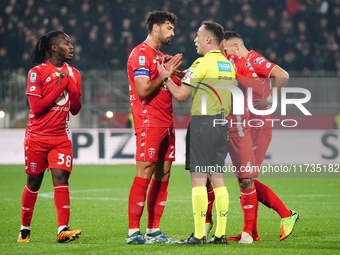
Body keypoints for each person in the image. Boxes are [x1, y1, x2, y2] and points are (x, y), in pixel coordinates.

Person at [157, 20, 235, 244]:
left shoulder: (201, 63)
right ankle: (220, 234)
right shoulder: (228, 65)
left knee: (198, 181)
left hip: (202, 125)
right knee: (218, 180)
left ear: (209, 39)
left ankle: (200, 234)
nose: (195, 40)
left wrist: (165, 77)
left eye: (198, 36)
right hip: (222, 125)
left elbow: (181, 95)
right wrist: (182, 75)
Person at [219, 31, 299, 242]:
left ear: (235, 46)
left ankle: (287, 215)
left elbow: (283, 75)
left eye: (226, 49)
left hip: (257, 126)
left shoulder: (255, 60)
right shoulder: (239, 61)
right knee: (245, 179)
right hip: (245, 125)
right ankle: (251, 232)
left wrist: (271, 98)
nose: (225, 54)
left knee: (247, 179)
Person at [17, 30, 82, 243]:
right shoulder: (36, 72)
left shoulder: (75, 73)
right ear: (54, 48)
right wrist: (60, 88)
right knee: (33, 183)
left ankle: (63, 229)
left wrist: (72, 91)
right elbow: (36, 108)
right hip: (37, 136)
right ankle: (24, 229)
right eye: (67, 43)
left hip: (61, 137)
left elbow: (75, 110)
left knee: (62, 178)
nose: (71, 46)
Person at [126, 10, 182, 244]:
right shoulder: (141, 54)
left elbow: (171, 87)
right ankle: (133, 233)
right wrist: (164, 74)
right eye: (169, 27)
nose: (173, 32)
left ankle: (153, 231)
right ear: (156, 28)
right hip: (149, 122)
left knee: (164, 173)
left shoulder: (160, 57)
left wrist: (176, 75)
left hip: (167, 122)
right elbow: (143, 89)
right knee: (146, 172)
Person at [205, 37, 265, 244]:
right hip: (214, 128)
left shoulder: (240, 62)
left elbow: (258, 87)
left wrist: (234, 75)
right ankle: (206, 224)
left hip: (239, 129)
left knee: (246, 179)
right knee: (205, 178)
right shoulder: (207, 62)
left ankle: (248, 232)